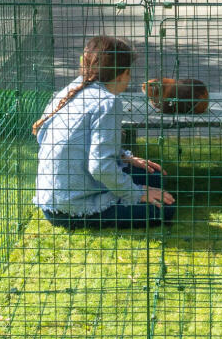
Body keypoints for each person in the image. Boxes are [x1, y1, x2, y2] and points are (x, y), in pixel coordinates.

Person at [31, 36, 175, 229]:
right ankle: (105, 203)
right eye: (129, 72)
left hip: (53, 197)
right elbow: (100, 166)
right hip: (72, 207)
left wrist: (124, 157)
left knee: (156, 179)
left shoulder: (73, 87)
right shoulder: (108, 102)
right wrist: (138, 193)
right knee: (166, 208)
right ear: (122, 75)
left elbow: (62, 140)